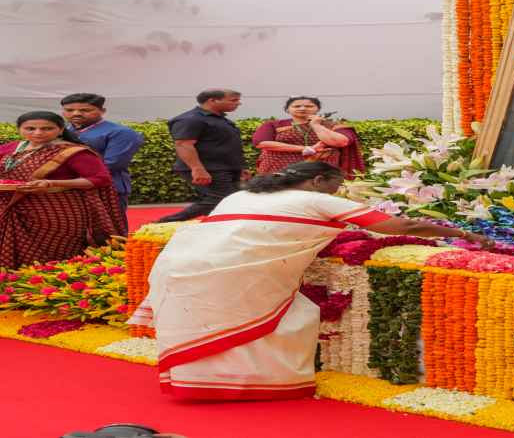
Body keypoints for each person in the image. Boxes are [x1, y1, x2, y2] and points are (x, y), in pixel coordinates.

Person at [130, 161, 492, 401]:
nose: (335, 193)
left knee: (221, 322)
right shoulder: (316, 199)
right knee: (288, 319)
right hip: (233, 268)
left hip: (182, 262)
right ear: (318, 181)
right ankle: (255, 387)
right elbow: (402, 226)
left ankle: (204, 386)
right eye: (334, 186)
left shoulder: (243, 193)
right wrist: (460, 233)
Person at [0, 111, 126, 269]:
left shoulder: (73, 151)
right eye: (30, 128)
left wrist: (51, 183)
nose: (38, 133)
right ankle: (13, 287)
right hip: (9, 207)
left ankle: (54, 286)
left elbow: (100, 179)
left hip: (55, 212)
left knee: (54, 253)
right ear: (19, 129)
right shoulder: (10, 148)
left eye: (47, 128)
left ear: (60, 130)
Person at [156, 89, 247, 223]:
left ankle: (217, 227)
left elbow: (228, 145)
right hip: (208, 168)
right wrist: (197, 168)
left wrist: (240, 167)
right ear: (212, 100)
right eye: (233, 100)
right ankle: (165, 223)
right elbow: (183, 144)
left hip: (225, 168)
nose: (238, 103)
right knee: (220, 198)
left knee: (231, 200)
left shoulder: (220, 119)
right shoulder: (190, 119)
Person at [61, 93, 145, 226]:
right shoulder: (62, 130)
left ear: (102, 111)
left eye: (85, 110)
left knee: (109, 232)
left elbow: (112, 164)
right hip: (68, 188)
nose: (76, 113)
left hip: (107, 188)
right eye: (69, 110)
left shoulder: (121, 133)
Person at [252, 96, 365, 177]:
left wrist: (316, 125)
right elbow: (261, 143)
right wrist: (306, 149)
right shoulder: (273, 125)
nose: (302, 108)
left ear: (318, 109)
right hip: (278, 169)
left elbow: (341, 142)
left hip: (320, 171)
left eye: (309, 106)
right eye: (296, 106)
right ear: (287, 109)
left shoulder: (333, 126)